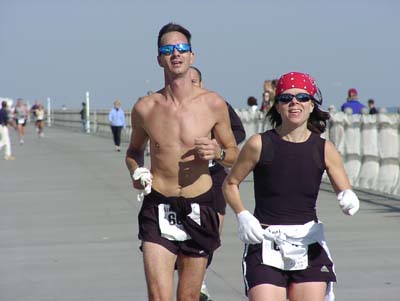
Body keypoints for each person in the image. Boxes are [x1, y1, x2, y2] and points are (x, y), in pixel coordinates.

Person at [125, 23, 239, 301]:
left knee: (188, 296)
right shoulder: (145, 108)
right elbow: (134, 150)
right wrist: (137, 170)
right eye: (168, 49)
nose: (176, 54)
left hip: (199, 204)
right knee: (158, 296)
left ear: (191, 56)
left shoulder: (213, 103)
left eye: (182, 49)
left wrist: (217, 153)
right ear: (159, 59)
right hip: (158, 205)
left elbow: (234, 153)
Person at [223, 71, 360, 301]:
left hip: (308, 241)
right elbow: (230, 184)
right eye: (286, 98)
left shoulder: (324, 148)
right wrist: (242, 215)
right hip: (266, 241)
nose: (294, 103)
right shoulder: (259, 143)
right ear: (277, 106)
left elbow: (344, 190)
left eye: (302, 97)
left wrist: (349, 199)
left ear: (312, 104)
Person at [189, 65, 246, 301]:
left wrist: (218, 144)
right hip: (186, 176)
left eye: (194, 81)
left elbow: (238, 133)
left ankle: (197, 276)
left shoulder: (215, 103)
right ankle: (196, 282)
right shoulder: (169, 106)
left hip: (215, 174)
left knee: (213, 233)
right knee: (188, 234)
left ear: (201, 83)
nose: (190, 84)